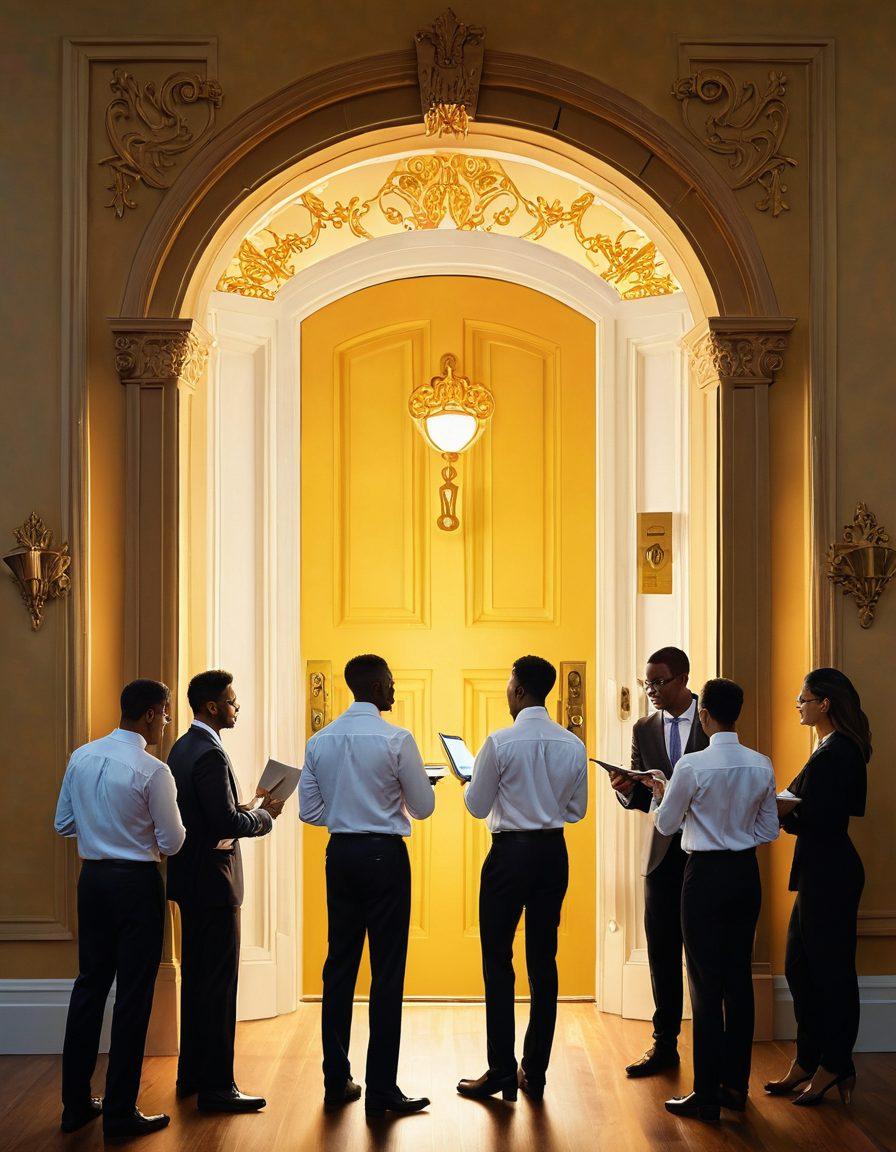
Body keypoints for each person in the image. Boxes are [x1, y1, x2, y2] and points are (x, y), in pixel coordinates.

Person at [299, 654, 435, 1117]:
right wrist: (394, 800)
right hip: (385, 857)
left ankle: (335, 1081)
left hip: (340, 855)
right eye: (392, 683)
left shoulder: (320, 741)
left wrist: (346, 812)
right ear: (376, 687)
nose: (395, 691)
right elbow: (424, 807)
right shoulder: (397, 739)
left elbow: (309, 812)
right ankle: (382, 1089)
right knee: (387, 970)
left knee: (339, 966)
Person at [54, 679, 185, 1141]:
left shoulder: (81, 756)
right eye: (166, 714)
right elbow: (171, 842)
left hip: (92, 883)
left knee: (89, 988)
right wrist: (136, 838)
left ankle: (74, 1106)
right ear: (150, 713)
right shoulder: (154, 771)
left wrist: (102, 831)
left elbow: (63, 822)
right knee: (132, 996)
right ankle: (120, 1111)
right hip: (135, 886)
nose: (167, 723)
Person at [457, 655, 588, 1103]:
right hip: (553, 853)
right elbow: (577, 811)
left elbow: (476, 806)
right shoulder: (572, 744)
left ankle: (499, 1071)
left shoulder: (500, 742)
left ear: (517, 690)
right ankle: (534, 1071)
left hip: (508, 856)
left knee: (498, 961)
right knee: (543, 962)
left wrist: (470, 783)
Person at [652, 678, 778, 1122]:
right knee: (738, 980)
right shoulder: (761, 764)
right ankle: (733, 1086)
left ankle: (704, 1093)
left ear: (704, 716)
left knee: (705, 986)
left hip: (703, 877)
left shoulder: (691, 765)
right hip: (745, 875)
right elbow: (768, 831)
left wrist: (660, 794)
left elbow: (666, 826)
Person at [167, 670, 284, 1113]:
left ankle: (192, 1076)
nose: (237, 708)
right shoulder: (211, 755)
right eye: (232, 702)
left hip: (190, 881)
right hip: (215, 885)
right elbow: (224, 825)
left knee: (198, 983)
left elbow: (204, 815)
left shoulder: (183, 747)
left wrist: (245, 808)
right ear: (212, 707)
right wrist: (265, 817)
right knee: (219, 989)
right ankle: (218, 1088)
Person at [765, 668, 870, 1107]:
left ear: (824, 703)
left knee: (830, 972)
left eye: (803, 698)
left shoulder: (838, 751)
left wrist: (783, 812)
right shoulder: (829, 749)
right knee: (800, 966)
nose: (798, 703)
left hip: (829, 871)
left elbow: (826, 817)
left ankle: (836, 1063)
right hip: (820, 869)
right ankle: (810, 1059)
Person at [608, 646, 708, 1077]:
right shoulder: (644, 728)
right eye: (647, 683)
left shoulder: (712, 721)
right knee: (662, 953)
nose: (651, 690)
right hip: (662, 854)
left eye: (659, 682)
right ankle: (664, 1044)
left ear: (684, 679)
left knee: (704, 955)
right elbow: (637, 799)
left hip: (708, 853)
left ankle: (711, 1052)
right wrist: (624, 787)